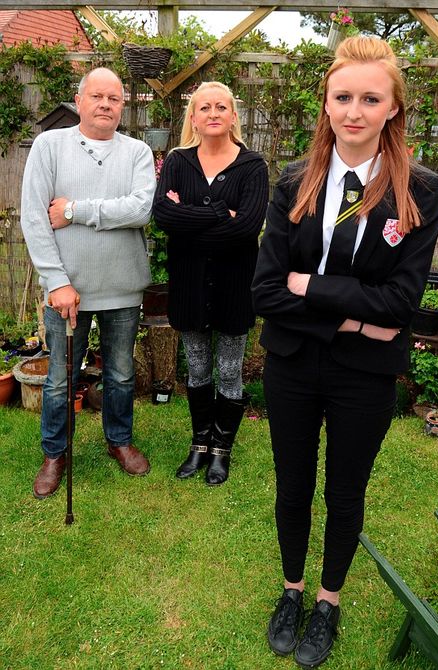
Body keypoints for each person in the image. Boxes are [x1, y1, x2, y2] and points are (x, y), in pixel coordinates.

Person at [251, 37, 438, 668]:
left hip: (366, 377)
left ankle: (328, 599)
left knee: (345, 491)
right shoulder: (292, 183)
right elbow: (266, 291)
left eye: (370, 98)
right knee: (294, 483)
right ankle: (292, 589)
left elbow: (401, 303)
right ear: (326, 105)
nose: (354, 110)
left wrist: (312, 289)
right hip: (292, 365)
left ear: (393, 108)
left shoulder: (420, 190)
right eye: (343, 97)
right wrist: (352, 319)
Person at [21, 67, 156, 499]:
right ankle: (54, 453)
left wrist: (76, 210)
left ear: (123, 106)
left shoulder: (136, 152)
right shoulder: (49, 146)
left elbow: (139, 210)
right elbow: (35, 217)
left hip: (122, 286)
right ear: (79, 102)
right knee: (61, 377)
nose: (105, 104)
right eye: (96, 96)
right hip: (67, 290)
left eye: (113, 99)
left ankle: (119, 441)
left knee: (119, 373)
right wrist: (56, 280)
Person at [152, 81, 269, 486]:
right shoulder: (178, 161)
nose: (214, 113)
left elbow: (248, 228)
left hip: (235, 285)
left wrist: (192, 216)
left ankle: (222, 450)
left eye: (222, 106)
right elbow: (163, 217)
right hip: (189, 284)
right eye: (205, 107)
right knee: (198, 368)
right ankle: (199, 443)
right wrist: (222, 212)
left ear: (233, 115)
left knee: (230, 370)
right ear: (194, 118)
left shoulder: (252, 166)